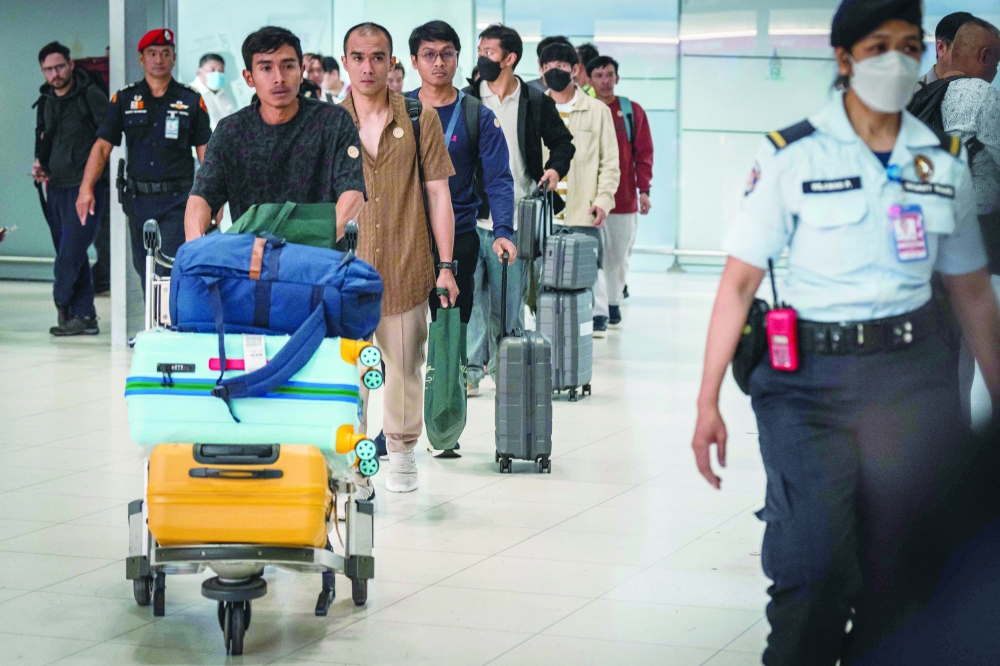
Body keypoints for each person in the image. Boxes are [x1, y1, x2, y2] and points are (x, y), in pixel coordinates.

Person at [691, 0, 1000, 663]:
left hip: (913, 380)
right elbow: (739, 282)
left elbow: (971, 293)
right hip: (807, 385)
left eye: (909, 44)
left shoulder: (941, 162)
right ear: (843, 60)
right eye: (877, 46)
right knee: (814, 574)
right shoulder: (789, 157)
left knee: (904, 578)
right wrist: (706, 401)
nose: (895, 59)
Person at [339, 22, 459, 494]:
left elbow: (438, 194)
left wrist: (445, 265)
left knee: (405, 368)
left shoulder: (418, 116)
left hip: (406, 264)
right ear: (345, 61)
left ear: (392, 62)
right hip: (346, 272)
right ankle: (353, 462)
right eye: (358, 56)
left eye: (377, 56)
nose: (368, 66)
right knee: (351, 374)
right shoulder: (329, 122)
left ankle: (403, 453)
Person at [407, 20, 517, 416]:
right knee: (399, 337)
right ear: (415, 61)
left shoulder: (477, 115)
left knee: (449, 334)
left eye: (447, 54)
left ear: (457, 59)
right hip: (403, 240)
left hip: (459, 239)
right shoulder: (400, 111)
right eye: (429, 55)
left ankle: (443, 421)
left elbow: (500, 179)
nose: (439, 62)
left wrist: (503, 231)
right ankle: (396, 423)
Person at [463, 24, 575, 388]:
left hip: (513, 219)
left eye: (490, 51)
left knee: (507, 302)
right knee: (471, 300)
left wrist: (555, 170)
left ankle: (504, 367)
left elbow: (563, 143)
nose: (483, 57)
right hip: (469, 215)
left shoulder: (534, 101)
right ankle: (471, 371)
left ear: (510, 58)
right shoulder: (467, 99)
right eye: (480, 50)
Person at [77, 28, 211, 286]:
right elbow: (102, 147)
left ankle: (171, 323)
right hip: (138, 201)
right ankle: (155, 324)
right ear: (142, 59)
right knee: (144, 268)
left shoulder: (190, 99)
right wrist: (86, 188)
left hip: (177, 200)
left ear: (174, 58)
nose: (159, 59)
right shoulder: (125, 99)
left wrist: (212, 196)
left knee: (169, 268)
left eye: (165, 53)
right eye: (152, 53)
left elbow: (205, 151)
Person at [939, 18, 1000, 423]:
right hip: (977, 247)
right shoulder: (983, 95)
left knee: (949, 357)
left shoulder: (928, 95)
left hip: (932, 245)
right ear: (983, 57)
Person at [539, 42, 620, 337]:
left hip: (581, 212)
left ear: (575, 70)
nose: (554, 72)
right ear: (540, 71)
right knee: (541, 286)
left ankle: (578, 345)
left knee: (583, 283)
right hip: (544, 215)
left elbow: (610, 163)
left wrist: (603, 201)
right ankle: (548, 342)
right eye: (548, 67)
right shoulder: (535, 106)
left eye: (561, 66)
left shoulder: (597, 111)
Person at [32, 41, 109, 336]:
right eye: (48, 69)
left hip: (86, 188)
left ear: (71, 65)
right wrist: (40, 163)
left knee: (71, 254)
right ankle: (84, 316)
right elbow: (43, 138)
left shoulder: (90, 96)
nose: (55, 74)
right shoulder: (46, 100)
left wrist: (91, 181)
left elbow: (108, 140)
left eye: (59, 66)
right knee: (67, 252)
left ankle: (63, 303)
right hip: (56, 187)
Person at [589, 55, 653, 328]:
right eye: (599, 75)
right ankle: (600, 311)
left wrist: (644, 190)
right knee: (592, 258)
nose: (605, 80)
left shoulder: (631, 111)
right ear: (589, 79)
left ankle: (614, 302)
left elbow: (644, 152)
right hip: (589, 200)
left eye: (610, 74)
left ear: (617, 77)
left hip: (624, 199)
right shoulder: (585, 108)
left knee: (618, 257)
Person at [917, 12, 974, 88]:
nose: (972, 59)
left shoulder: (980, 93)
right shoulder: (911, 94)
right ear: (941, 48)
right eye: (966, 49)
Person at [189, 53, 236, 130]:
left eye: (220, 70)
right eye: (212, 70)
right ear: (200, 71)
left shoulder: (225, 94)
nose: (217, 74)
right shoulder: (190, 94)